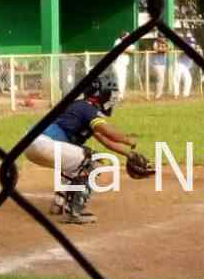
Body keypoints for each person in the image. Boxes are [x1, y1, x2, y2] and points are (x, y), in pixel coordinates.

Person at [24, 74, 142, 225]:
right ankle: (75, 212)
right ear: (100, 94)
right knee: (92, 162)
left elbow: (104, 140)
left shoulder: (80, 106)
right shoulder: (86, 108)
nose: (112, 99)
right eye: (110, 94)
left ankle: (59, 204)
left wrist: (128, 154)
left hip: (32, 144)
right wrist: (128, 140)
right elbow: (106, 131)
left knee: (75, 164)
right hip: (43, 143)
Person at [112, 30, 133, 102]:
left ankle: (120, 96)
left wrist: (126, 49)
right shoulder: (117, 41)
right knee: (118, 80)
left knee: (122, 80)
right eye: (126, 36)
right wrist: (126, 49)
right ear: (123, 37)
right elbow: (120, 49)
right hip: (117, 64)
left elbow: (131, 50)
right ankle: (117, 96)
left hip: (124, 65)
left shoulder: (129, 41)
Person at [174, 33, 195, 98]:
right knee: (177, 78)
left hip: (185, 67)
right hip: (180, 64)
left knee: (188, 79)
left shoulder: (192, 46)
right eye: (190, 42)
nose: (192, 44)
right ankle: (176, 94)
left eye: (192, 42)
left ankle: (185, 94)